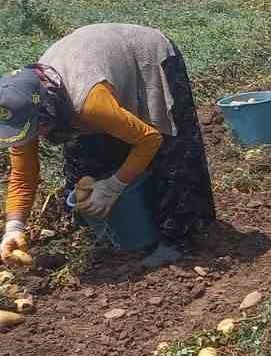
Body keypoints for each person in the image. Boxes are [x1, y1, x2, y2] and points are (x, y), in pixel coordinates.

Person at [0, 23, 216, 267]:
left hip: (146, 55)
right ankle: (109, 232)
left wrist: (114, 186)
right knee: (85, 165)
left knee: (171, 149)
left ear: (47, 111)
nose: (35, 137)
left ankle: (179, 240)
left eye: (39, 130)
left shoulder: (89, 104)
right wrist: (14, 227)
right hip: (93, 63)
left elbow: (149, 139)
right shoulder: (22, 113)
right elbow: (22, 175)